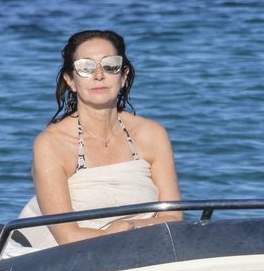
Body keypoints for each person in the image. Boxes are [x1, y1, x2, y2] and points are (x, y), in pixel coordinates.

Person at [17, 29, 182, 249]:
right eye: (85, 67)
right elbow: (67, 236)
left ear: (123, 76)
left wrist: (127, 227)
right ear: (71, 81)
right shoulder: (52, 143)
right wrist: (120, 236)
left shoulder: (152, 135)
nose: (98, 75)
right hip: (66, 255)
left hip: (144, 247)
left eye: (110, 65)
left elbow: (174, 217)